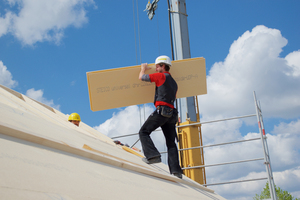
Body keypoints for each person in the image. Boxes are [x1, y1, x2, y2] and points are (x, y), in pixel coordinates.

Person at [138, 55, 183, 179]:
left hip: (162, 111)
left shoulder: (161, 76)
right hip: (172, 114)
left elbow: (142, 78)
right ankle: (176, 171)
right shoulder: (174, 83)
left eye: (157, 67)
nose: (156, 69)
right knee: (171, 143)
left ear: (163, 66)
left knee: (143, 132)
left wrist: (143, 68)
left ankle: (153, 156)